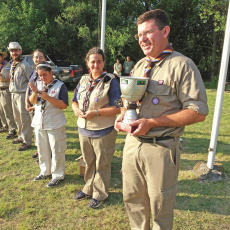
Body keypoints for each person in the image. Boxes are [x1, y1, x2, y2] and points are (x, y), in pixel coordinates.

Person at [115, 9, 209, 230]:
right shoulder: (139, 65)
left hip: (161, 148)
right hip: (132, 145)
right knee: (132, 200)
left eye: (148, 32)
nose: (142, 39)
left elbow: (198, 111)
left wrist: (153, 123)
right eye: (139, 35)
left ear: (165, 31)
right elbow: (127, 99)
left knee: (160, 208)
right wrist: (122, 116)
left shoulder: (182, 65)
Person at [72, 47, 121, 208]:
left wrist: (96, 112)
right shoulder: (83, 79)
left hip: (104, 129)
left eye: (99, 61)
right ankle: (88, 188)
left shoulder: (111, 80)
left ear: (104, 63)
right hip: (84, 128)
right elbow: (74, 100)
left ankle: (100, 193)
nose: (96, 64)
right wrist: (75, 109)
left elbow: (118, 108)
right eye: (92, 61)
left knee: (102, 162)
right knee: (88, 161)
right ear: (87, 63)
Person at [29, 62, 68, 187]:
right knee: (42, 148)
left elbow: (63, 105)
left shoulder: (60, 86)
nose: (42, 78)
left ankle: (57, 175)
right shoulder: (38, 84)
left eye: (45, 75)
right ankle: (45, 171)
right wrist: (35, 92)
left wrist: (48, 97)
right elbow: (32, 101)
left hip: (55, 123)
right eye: (40, 75)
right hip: (40, 122)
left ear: (51, 72)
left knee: (56, 150)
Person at [8, 42, 33, 151]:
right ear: (10, 52)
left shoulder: (25, 65)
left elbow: (31, 82)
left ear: (20, 51)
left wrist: (28, 98)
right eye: (12, 51)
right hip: (13, 94)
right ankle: (20, 136)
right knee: (17, 118)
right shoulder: (12, 64)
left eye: (16, 50)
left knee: (24, 119)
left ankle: (27, 141)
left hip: (22, 95)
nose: (14, 52)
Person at [25, 49, 46, 159]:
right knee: (36, 131)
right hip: (32, 105)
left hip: (40, 105)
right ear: (33, 59)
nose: (38, 59)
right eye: (36, 57)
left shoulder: (46, 72)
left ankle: (45, 154)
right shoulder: (33, 72)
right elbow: (28, 88)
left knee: (43, 132)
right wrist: (26, 102)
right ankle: (39, 150)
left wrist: (35, 104)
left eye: (40, 57)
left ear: (44, 59)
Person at [0, 50, 17, 138]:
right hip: (0, 89)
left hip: (6, 90)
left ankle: (12, 129)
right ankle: (5, 126)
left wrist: (3, 79)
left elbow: (3, 79)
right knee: (1, 111)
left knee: (7, 111)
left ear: (2, 56)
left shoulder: (7, 66)